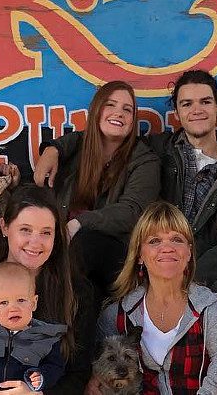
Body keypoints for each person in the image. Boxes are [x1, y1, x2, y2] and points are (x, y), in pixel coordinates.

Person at [38, 70, 217, 325]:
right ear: (176, 114)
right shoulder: (158, 149)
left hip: (206, 266)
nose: (197, 110)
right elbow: (100, 137)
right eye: (187, 103)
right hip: (150, 257)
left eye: (205, 102)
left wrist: (186, 270)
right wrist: (53, 148)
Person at [0, 184, 96, 395]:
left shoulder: (76, 292)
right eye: (25, 230)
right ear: (5, 227)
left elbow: (78, 374)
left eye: (46, 232)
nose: (35, 242)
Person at [89, 201, 217, 394]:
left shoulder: (210, 309)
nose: (167, 247)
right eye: (154, 241)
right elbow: (96, 365)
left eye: (176, 239)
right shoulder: (119, 314)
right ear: (140, 255)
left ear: (189, 252)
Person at [34, 80, 161, 297]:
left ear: (133, 120)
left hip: (117, 256)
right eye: (110, 105)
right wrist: (53, 149)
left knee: (85, 245)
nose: (119, 113)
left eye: (127, 109)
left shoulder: (145, 160)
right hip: (66, 254)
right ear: (96, 111)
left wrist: (79, 223)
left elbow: (132, 211)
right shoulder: (72, 151)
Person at [0, 262, 66, 394]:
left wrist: (42, 377)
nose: (13, 308)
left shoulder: (46, 337)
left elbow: (56, 366)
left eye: (21, 300)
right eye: (4, 302)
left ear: (34, 302)